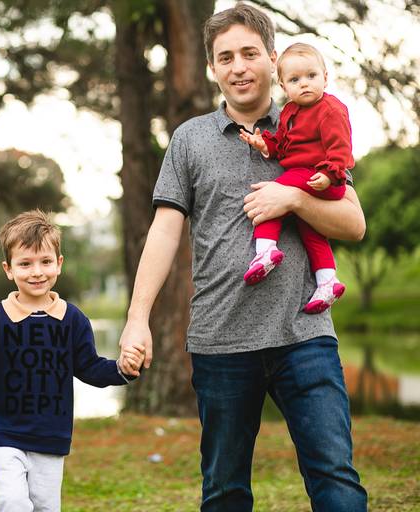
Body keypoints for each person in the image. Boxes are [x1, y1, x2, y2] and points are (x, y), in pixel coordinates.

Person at [117, 4, 368, 511]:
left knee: (336, 480)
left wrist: (293, 198)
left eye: (250, 54)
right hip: (221, 341)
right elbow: (164, 232)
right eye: (226, 57)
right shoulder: (190, 139)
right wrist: (137, 318)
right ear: (212, 67)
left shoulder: (312, 118)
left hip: (304, 337)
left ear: (273, 59)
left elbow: (354, 223)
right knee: (225, 490)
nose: (238, 67)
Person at [0, 210, 144, 512]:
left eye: (45, 262)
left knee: (45, 507)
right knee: (10, 501)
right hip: (3, 430)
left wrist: (123, 370)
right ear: (8, 269)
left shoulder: (73, 320)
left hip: (51, 433)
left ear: (59, 264)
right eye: (25, 263)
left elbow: (89, 367)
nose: (36, 272)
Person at [239, 42, 354, 314]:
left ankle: (265, 250)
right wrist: (264, 144)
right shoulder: (290, 111)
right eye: (294, 80)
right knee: (309, 229)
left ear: (325, 77)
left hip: (320, 176)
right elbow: (283, 145)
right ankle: (327, 281)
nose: (304, 84)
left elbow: (341, 148)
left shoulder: (330, 109)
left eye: (311, 76)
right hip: (304, 176)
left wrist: (329, 174)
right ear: (283, 86)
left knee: (271, 196)